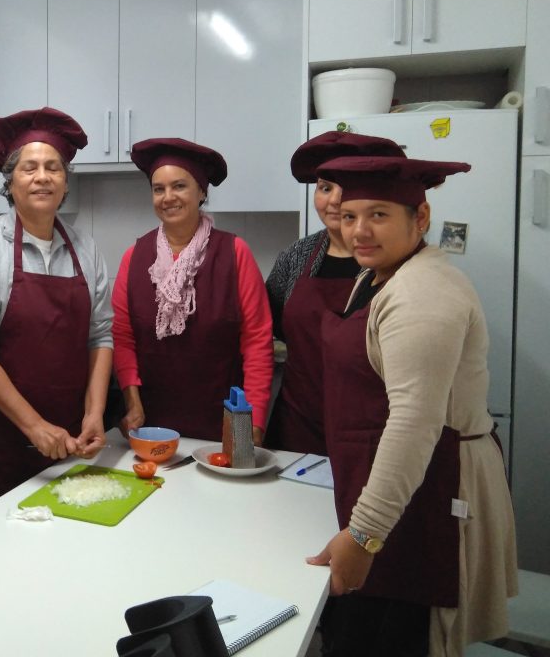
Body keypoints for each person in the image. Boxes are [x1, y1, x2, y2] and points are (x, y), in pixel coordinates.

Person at [306, 155, 518, 657]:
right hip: (397, 487)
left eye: (378, 215)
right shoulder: (379, 274)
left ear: (419, 218)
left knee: (398, 637)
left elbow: (413, 423)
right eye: (350, 216)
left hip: (427, 494)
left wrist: (364, 535)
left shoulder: (422, 292)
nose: (360, 231)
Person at [0, 107, 113, 508]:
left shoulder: (85, 248)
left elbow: (100, 336)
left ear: (65, 182)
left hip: (68, 439)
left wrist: (95, 413)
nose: (42, 177)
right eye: (29, 167)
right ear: (10, 182)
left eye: (53, 168)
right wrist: (34, 426)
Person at [112, 138, 273, 443]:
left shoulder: (234, 253)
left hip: (222, 423)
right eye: (158, 189)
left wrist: (255, 422)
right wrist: (132, 402)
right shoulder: (134, 258)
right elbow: (122, 336)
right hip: (152, 425)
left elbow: (257, 341)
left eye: (179, 186)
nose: (168, 197)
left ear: (201, 191)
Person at [264, 131, 406, 454]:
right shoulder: (295, 257)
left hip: (373, 432)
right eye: (325, 187)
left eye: (348, 187)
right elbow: (267, 326)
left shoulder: (394, 262)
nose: (335, 200)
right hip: (297, 426)